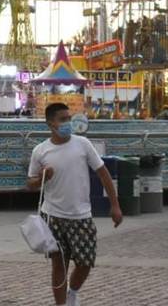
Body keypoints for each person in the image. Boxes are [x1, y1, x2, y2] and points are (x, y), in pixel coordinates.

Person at [27, 102, 122, 306]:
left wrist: (115, 205)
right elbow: (31, 183)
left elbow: (103, 174)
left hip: (81, 215)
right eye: (62, 119)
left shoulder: (83, 144)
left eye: (68, 118)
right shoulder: (40, 151)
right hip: (52, 216)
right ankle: (61, 304)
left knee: (85, 262)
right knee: (58, 264)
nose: (67, 123)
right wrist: (43, 176)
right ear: (50, 124)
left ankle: (73, 291)